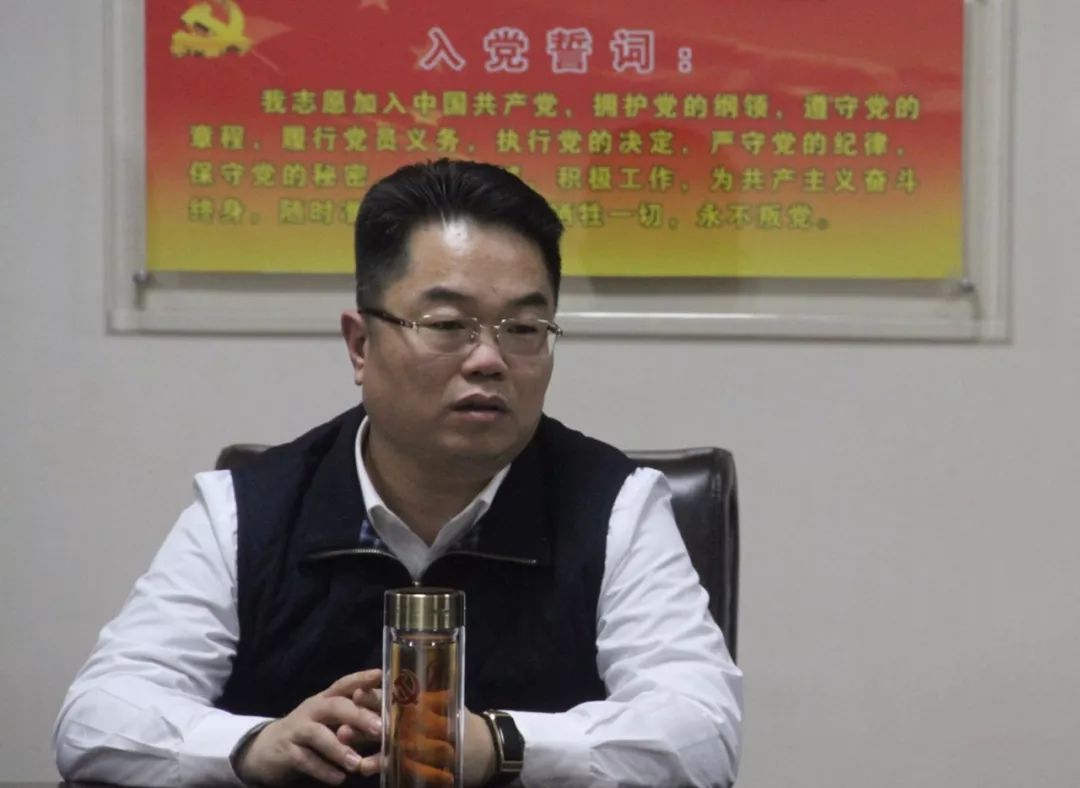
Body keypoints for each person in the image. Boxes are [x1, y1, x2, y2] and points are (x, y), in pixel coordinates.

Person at [54, 159, 743, 786]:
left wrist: (496, 745)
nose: (488, 359)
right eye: (448, 325)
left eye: (523, 329)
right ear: (361, 345)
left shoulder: (615, 506)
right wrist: (254, 746)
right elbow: (96, 717)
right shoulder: (247, 510)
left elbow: (700, 731)